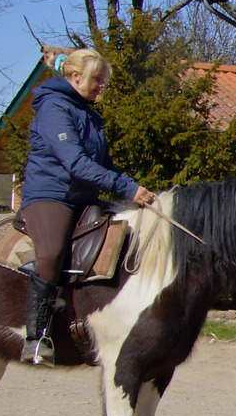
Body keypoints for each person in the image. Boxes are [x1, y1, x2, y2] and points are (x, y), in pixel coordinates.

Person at [19, 49, 157, 365]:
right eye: (97, 80)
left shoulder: (89, 114)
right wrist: (127, 188)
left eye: (103, 81)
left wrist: (136, 191)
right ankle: (36, 337)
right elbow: (76, 164)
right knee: (52, 252)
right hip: (51, 196)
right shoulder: (54, 108)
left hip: (84, 198)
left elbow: (104, 164)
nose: (101, 87)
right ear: (75, 77)